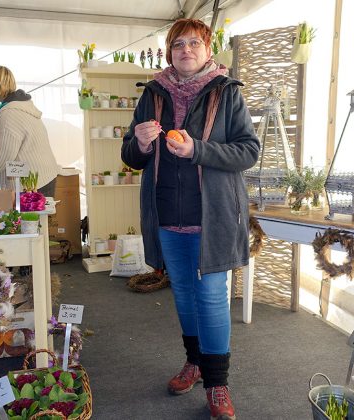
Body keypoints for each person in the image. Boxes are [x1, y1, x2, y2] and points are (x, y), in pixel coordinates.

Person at [121, 18, 259, 420]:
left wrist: (197, 149)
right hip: (167, 214)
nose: (186, 50)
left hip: (212, 216)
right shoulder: (153, 93)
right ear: (169, 52)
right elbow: (130, 156)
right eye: (178, 44)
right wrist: (141, 144)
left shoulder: (227, 93)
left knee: (213, 296)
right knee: (182, 292)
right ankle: (194, 363)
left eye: (194, 43)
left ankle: (218, 385)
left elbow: (249, 151)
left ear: (207, 49)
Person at [0, 65, 58, 197]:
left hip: (33, 182)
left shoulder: (8, 113)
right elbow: (15, 143)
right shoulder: (18, 106)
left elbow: (3, 158)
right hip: (41, 175)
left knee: (28, 218)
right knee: (37, 218)